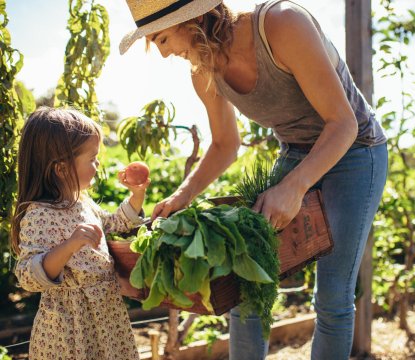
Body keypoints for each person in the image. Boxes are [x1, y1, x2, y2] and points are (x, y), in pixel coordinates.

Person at [120, 0, 388, 359]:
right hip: (295, 152)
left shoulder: (282, 25)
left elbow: (344, 124)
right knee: (244, 285)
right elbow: (224, 144)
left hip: (356, 151)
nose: (166, 54)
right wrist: (181, 196)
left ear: (194, 18)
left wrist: (293, 187)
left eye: (164, 39)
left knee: (332, 295)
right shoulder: (203, 71)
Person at [11, 107, 150, 360]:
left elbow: (113, 224)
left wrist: (136, 196)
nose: (97, 165)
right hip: (70, 326)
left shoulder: (83, 203)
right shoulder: (39, 214)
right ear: (62, 168)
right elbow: (28, 275)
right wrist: (70, 245)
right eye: (92, 159)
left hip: (106, 316)